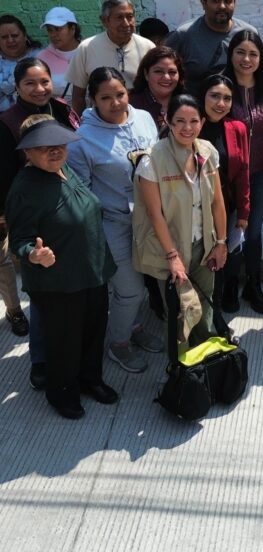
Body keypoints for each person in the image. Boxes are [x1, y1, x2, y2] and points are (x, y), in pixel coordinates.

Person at [6, 115, 118, 419]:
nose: (54, 151)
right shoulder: (25, 187)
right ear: (27, 151)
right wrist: (34, 254)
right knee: (64, 340)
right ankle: (62, 392)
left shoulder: (62, 168)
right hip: (58, 281)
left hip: (92, 270)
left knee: (94, 331)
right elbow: (20, 239)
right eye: (44, 147)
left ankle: (90, 379)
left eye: (59, 144)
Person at [67, 66, 162, 374]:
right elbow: (81, 194)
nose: (116, 103)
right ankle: (118, 343)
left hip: (148, 221)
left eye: (120, 94)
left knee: (143, 283)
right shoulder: (81, 140)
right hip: (113, 225)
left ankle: (133, 326)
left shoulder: (145, 119)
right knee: (129, 289)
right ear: (92, 100)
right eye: (105, 98)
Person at [0, 58, 80, 386]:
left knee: (68, 290)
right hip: (32, 217)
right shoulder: (6, 123)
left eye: (44, 81)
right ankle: (41, 360)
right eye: (30, 83)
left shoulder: (60, 109)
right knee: (42, 294)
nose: (39, 89)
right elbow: (4, 176)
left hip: (65, 209)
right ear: (17, 87)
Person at [133, 94, 228, 345]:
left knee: (205, 301)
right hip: (172, 248)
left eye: (194, 121)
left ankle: (205, 356)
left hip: (204, 243)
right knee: (180, 310)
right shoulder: (152, 159)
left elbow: (217, 201)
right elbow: (155, 215)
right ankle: (182, 366)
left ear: (203, 122)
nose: (188, 128)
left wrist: (221, 242)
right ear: (168, 121)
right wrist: (172, 258)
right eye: (180, 121)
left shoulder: (207, 151)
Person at [220, 30, 263, 314]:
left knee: (254, 232)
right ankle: (230, 283)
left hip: (261, 173)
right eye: (240, 52)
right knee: (230, 230)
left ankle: (253, 285)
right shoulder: (221, 87)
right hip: (227, 175)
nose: (246, 59)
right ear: (231, 54)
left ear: (260, 58)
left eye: (253, 53)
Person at [197, 74, 251, 313]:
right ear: (203, 96)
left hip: (224, 206)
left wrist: (243, 211)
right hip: (194, 207)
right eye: (215, 96)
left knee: (221, 257)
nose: (220, 103)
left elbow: (243, 172)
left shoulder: (237, 128)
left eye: (227, 98)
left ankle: (215, 308)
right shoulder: (190, 125)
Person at [65, 1, 155, 117]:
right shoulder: (86, 48)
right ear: (104, 21)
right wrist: (80, 126)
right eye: (119, 17)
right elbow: (78, 96)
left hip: (141, 119)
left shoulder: (148, 47)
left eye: (130, 17)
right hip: (100, 121)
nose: (126, 23)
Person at [165, 0, 257, 96]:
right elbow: (163, 71)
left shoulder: (248, 35)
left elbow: (258, 75)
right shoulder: (184, 35)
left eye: (228, 1)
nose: (222, 6)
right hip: (194, 106)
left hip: (237, 106)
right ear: (203, 3)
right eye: (215, 1)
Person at [129, 46, 186, 132]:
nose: (166, 77)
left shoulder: (187, 104)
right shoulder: (131, 106)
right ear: (146, 74)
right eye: (158, 71)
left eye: (172, 72)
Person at [37, 7, 82, 105]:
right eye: (50, 30)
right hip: (57, 116)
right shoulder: (41, 59)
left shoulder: (88, 52)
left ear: (72, 29)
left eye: (58, 29)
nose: (53, 35)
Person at [0, 15, 42, 111]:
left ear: (24, 36)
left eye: (14, 36)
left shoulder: (40, 58)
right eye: (4, 37)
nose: (10, 40)